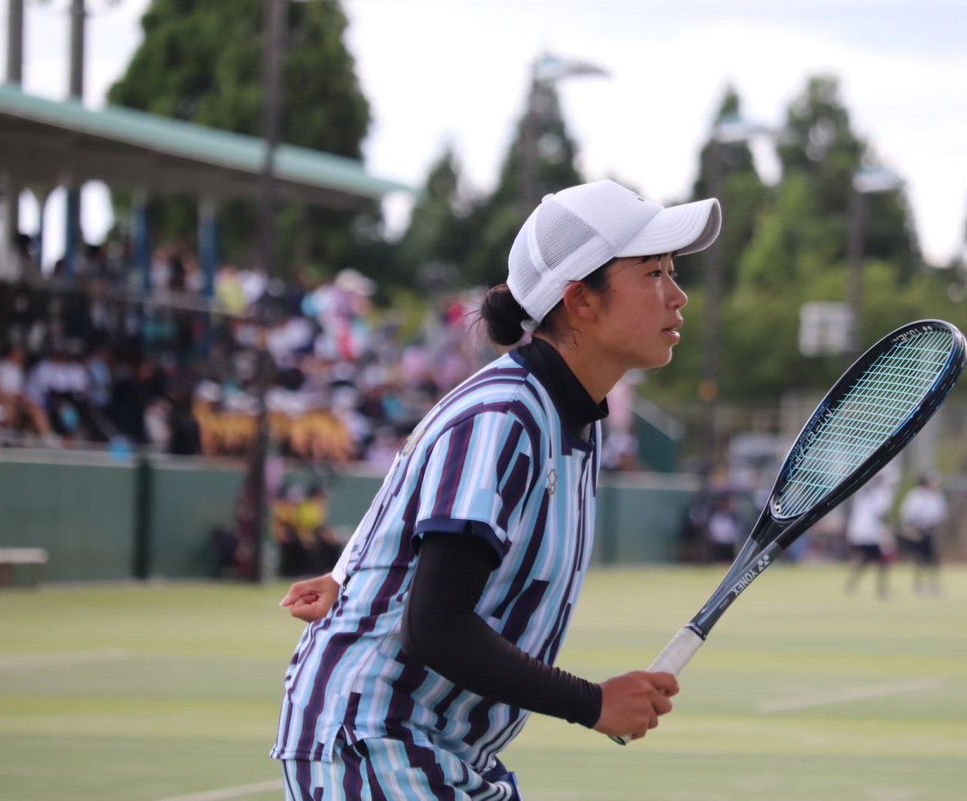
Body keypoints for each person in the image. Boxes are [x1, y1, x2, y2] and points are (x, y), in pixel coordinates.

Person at [271, 179, 722, 799]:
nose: (678, 296)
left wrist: (348, 576)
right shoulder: (508, 414)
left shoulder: (563, 415)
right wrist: (593, 703)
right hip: (375, 741)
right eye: (652, 274)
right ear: (581, 301)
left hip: (434, 747)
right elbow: (434, 624)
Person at [844, 473, 895, 598]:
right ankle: (882, 589)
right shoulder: (880, 495)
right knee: (882, 561)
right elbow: (880, 514)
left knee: (866, 560)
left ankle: (852, 584)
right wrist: (890, 526)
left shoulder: (865, 493)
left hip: (859, 532)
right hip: (870, 533)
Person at [897, 473, 948, 595]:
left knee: (933, 559)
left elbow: (941, 514)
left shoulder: (937, 496)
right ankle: (918, 586)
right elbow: (907, 514)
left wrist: (937, 530)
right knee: (918, 559)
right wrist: (912, 530)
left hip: (931, 531)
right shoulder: (916, 496)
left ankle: (934, 585)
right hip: (918, 530)